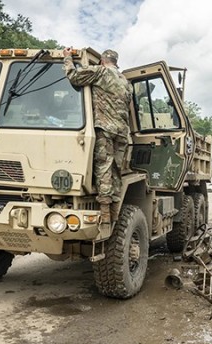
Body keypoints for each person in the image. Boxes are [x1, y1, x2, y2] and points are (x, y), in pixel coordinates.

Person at [63, 48, 131, 224]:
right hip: (122, 131)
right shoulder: (125, 81)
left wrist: (68, 58)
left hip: (106, 128)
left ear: (102, 61)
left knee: (104, 167)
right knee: (117, 170)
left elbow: (74, 77)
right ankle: (115, 210)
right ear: (116, 62)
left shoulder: (101, 72)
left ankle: (106, 212)